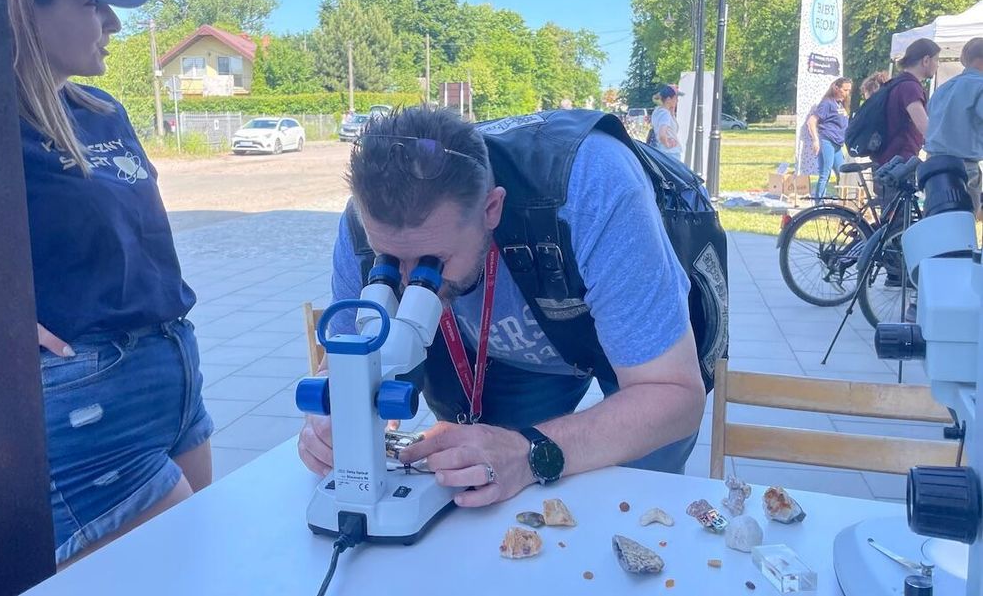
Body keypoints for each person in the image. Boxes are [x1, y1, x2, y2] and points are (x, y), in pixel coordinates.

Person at [298, 107, 706, 509]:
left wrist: (531, 451)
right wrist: (331, 421)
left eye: (431, 264)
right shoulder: (364, 219)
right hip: (505, 355)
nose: (406, 284)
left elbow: (675, 397)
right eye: (388, 258)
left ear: (492, 209)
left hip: (643, 348)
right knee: (487, 488)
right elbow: (346, 365)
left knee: (639, 507)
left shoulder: (589, 186)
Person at [5, 0, 214, 566]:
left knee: (209, 567)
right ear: (28, 2)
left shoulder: (101, 111)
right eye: (92, 4)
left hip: (174, 370)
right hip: (90, 397)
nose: (114, 24)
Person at [925, 37, 983, 219]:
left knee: (939, 222)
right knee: (963, 226)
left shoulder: (943, 89)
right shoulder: (980, 86)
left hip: (934, 166)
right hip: (963, 166)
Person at [871, 38, 941, 167]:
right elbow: (926, 128)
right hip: (899, 162)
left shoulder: (895, 83)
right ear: (926, 60)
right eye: (936, 59)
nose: (938, 65)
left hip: (885, 159)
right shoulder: (910, 87)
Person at [806, 77, 852, 202]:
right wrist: (816, 140)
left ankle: (843, 202)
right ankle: (818, 205)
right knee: (825, 174)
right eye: (845, 90)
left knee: (842, 173)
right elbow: (811, 121)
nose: (847, 93)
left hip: (838, 143)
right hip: (827, 140)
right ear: (836, 88)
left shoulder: (840, 103)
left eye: (849, 90)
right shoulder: (827, 103)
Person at [649, 85, 684, 162]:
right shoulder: (665, 114)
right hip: (671, 153)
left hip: (662, 150)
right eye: (675, 98)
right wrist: (667, 144)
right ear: (668, 99)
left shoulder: (657, 111)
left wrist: (672, 111)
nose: (677, 101)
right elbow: (662, 134)